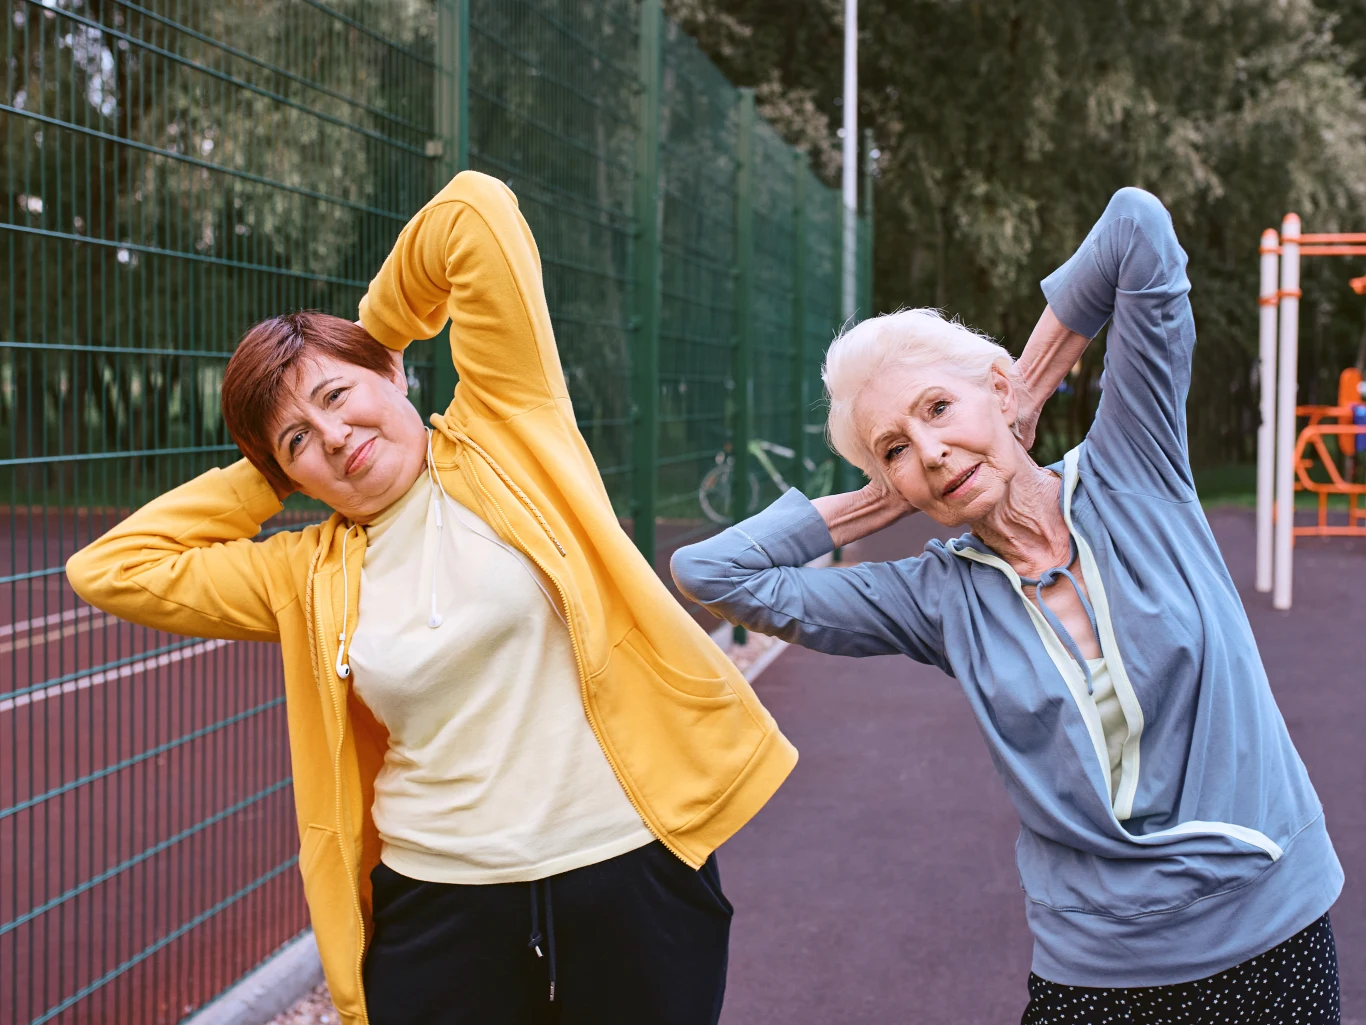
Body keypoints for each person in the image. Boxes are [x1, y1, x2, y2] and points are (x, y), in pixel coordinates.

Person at [66, 171, 797, 1025]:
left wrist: (374, 336)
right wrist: (266, 474)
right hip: (442, 905)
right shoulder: (301, 574)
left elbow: (473, 211)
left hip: (629, 868)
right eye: (298, 439)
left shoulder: (509, 431)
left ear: (392, 375)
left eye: (337, 394)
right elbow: (111, 568)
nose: (333, 434)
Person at [672, 188, 1343, 1023]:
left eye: (938, 408)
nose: (930, 450)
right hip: (1099, 973)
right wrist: (881, 497)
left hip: (1271, 931)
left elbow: (1137, 227)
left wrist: (1026, 387)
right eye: (895, 447)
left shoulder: (1134, 466)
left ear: (993, 386)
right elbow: (712, 573)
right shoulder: (934, 596)